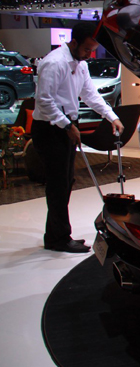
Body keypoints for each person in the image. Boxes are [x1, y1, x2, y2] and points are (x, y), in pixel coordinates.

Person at [32, 22, 124, 253]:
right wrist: (66, 125)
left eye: (92, 50)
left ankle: (57, 234)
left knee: (66, 182)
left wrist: (111, 116)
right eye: (86, 49)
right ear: (73, 42)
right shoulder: (54, 63)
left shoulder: (80, 64)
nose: (88, 54)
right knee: (58, 185)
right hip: (49, 128)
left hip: (65, 126)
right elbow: (44, 101)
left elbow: (90, 94)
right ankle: (58, 239)